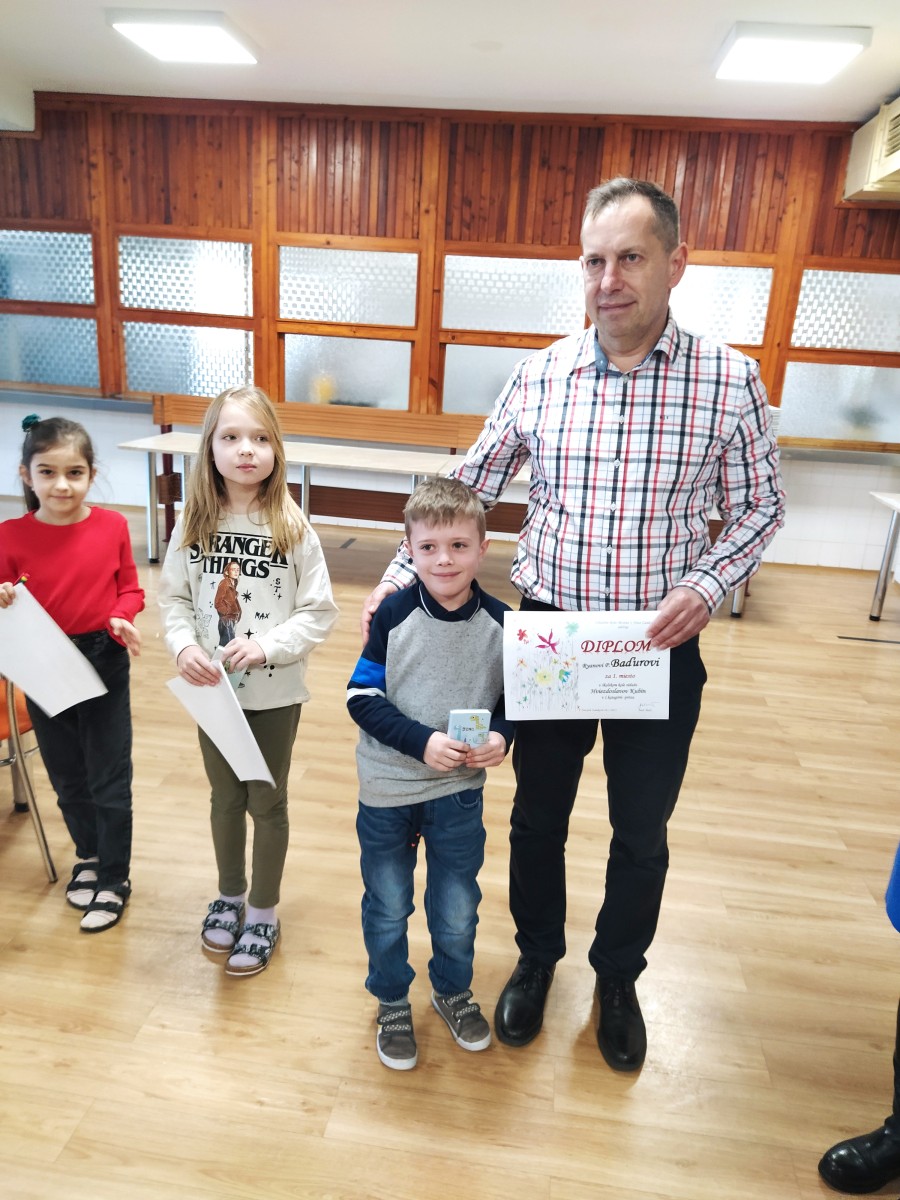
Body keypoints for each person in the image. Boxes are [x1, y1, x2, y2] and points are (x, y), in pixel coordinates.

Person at [361, 177, 785, 1070]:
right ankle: (537, 958)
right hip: (550, 635)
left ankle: (618, 977)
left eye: (630, 257)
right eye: (594, 261)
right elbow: (468, 485)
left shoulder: (730, 380)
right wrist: (400, 577)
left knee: (641, 829)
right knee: (537, 817)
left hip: (655, 644)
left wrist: (708, 583)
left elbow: (761, 505)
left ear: (676, 262)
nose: (609, 280)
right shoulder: (541, 374)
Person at [158, 385, 338, 977]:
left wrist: (266, 646)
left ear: (276, 450)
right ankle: (230, 895)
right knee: (225, 798)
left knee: (266, 800)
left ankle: (262, 911)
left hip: (275, 695)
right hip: (211, 694)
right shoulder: (195, 522)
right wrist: (184, 646)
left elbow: (318, 612)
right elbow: (175, 599)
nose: (245, 450)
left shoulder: (292, 526)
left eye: (260, 438)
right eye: (231, 437)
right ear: (210, 447)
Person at [347, 477, 515, 1069]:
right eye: (428, 548)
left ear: (483, 548)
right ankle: (392, 999)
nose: (444, 560)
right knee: (388, 904)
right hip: (387, 790)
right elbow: (360, 698)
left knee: (457, 906)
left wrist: (502, 735)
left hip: (458, 793)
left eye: (459, 546)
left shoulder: (502, 624)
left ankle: (451, 989)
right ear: (409, 550)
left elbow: (518, 700)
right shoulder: (391, 615)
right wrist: (421, 742)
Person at [0, 414, 143, 933]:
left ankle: (115, 876)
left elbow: (130, 587)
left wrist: (122, 616)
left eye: (75, 472)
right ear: (26, 475)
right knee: (66, 774)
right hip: (41, 663)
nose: (62, 485)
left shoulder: (112, 527)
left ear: (91, 474)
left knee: (109, 775)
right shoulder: (10, 535)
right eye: (48, 472)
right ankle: (89, 855)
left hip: (103, 657)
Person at [214, 559, 242, 646]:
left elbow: (233, 601)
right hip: (226, 619)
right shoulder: (225, 583)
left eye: (238, 570)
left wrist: (238, 612)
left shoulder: (233, 583)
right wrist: (227, 613)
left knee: (224, 644)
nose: (236, 572)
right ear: (226, 572)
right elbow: (218, 602)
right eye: (233, 569)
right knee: (229, 644)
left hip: (231, 618)